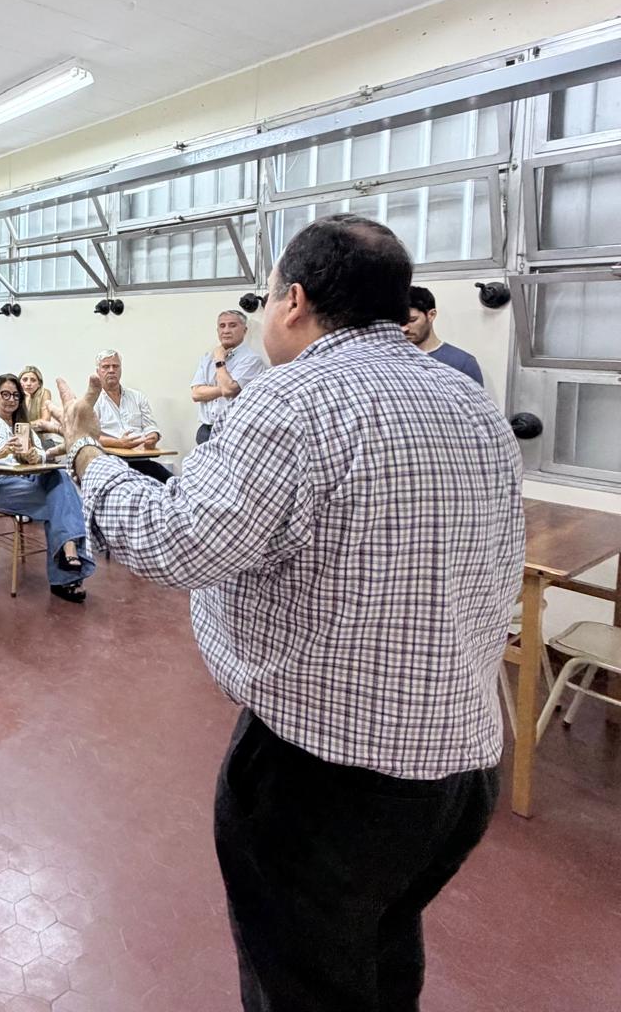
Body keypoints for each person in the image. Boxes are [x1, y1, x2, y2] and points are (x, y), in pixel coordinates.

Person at [57, 214, 523, 1011]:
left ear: (293, 301)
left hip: (327, 779)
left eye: (264, 297)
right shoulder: (470, 401)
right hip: (462, 765)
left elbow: (175, 542)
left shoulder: (290, 401)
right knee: (381, 954)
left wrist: (85, 455)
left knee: (300, 982)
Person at [0, 375, 93, 603]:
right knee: (61, 500)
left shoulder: (25, 428)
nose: (11, 399)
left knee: (59, 477)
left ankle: (67, 557)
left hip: (28, 481)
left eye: (15, 395)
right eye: (5, 394)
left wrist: (36, 455)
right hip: (0, 487)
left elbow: (42, 456)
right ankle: (66, 569)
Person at [92, 349, 169, 483]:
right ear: (98, 371)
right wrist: (118, 443)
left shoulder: (138, 397)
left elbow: (151, 427)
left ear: (120, 370)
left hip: (141, 460)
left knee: (172, 483)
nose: (111, 370)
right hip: (110, 464)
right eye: (106, 367)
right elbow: (90, 437)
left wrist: (153, 436)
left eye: (115, 366)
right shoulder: (93, 401)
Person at [190, 311, 266, 444]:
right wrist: (226, 387)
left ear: (244, 330)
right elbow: (196, 394)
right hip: (205, 430)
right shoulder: (207, 358)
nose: (226, 330)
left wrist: (219, 359)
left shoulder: (251, 359)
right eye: (222, 326)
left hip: (234, 430)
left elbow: (228, 389)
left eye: (232, 325)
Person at [403, 285, 484, 384]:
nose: (404, 328)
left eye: (412, 320)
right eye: (399, 322)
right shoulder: (391, 360)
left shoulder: (462, 363)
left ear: (431, 315)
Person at [19, 365, 62, 435]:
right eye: (25, 380)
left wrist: (24, 426)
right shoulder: (14, 396)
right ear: (19, 382)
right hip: (25, 437)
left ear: (39, 384)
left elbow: (45, 421)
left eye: (33, 380)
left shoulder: (44, 393)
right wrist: (27, 399)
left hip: (45, 438)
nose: (28, 383)